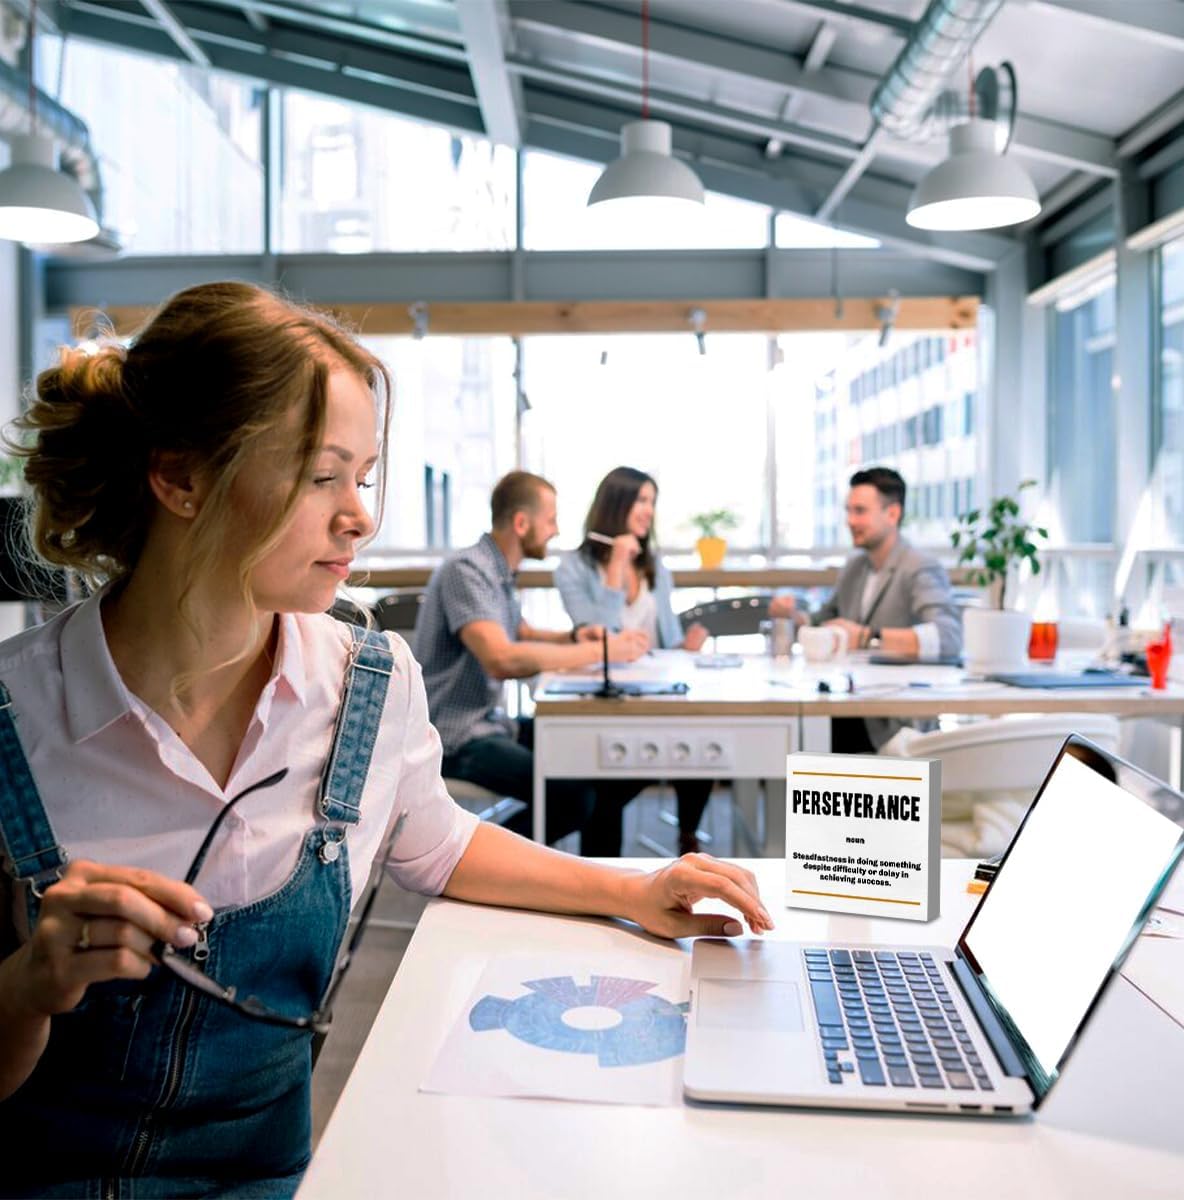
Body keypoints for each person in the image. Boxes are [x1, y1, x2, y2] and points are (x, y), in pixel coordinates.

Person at [0, 282, 773, 1200]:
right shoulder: (15, 714)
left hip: (271, 1181)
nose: (360, 515)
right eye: (320, 475)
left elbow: (438, 842)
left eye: (361, 478)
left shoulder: (368, 681)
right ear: (180, 478)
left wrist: (635, 889)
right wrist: (28, 985)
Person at [414, 471, 650, 855]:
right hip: (455, 736)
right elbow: (501, 658)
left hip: (490, 723)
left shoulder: (496, 571)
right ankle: (472, 863)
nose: (555, 531)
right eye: (551, 520)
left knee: (601, 762)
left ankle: (603, 885)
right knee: (572, 798)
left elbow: (519, 631)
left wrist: (576, 637)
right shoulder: (468, 570)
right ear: (522, 523)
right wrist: (603, 652)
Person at [555, 467, 713, 855]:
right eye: (642, 500)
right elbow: (596, 635)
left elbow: (668, 640)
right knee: (609, 783)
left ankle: (687, 837)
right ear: (617, 504)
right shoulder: (572, 569)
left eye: (652, 502)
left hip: (653, 692)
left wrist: (687, 648)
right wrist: (615, 569)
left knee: (704, 736)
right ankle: (603, 877)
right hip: (605, 697)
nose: (648, 511)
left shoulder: (656, 568)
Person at [770, 466, 962, 754]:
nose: (850, 520)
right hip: (851, 703)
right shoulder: (855, 567)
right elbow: (822, 621)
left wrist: (868, 637)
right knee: (789, 731)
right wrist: (791, 616)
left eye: (860, 511)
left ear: (892, 514)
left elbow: (948, 638)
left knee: (800, 741)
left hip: (894, 720)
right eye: (848, 511)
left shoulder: (919, 566)